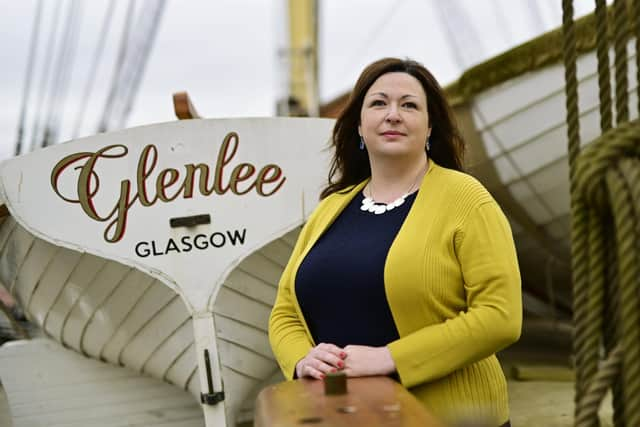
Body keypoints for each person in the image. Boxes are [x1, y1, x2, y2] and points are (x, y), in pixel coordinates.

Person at [268, 57, 522, 427]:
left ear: (430, 125)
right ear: (358, 125)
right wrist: (302, 359)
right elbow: (285, 311)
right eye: (378, 103)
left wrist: (391, 358)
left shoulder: (467, 198)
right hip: (341, 418)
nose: (393, 115)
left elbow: (501, 317)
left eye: (409, 105)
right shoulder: (331, 208)